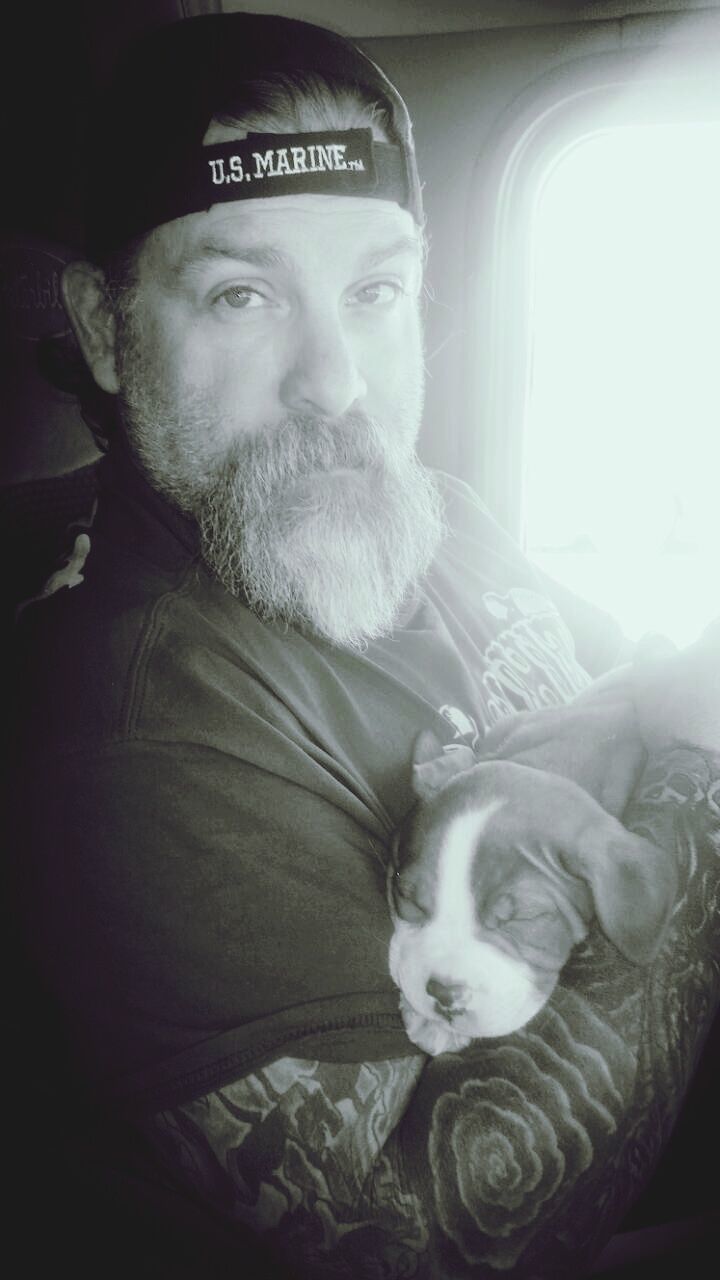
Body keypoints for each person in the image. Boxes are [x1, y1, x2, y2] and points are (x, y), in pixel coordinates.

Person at [8, 13, 719, 1279]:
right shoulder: (130, 722)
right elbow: (430, 1244)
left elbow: (656, 679)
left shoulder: (438, 516)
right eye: (242, 293)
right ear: (108, 330)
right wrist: (692, 788)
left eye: (377, 290)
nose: (334, 381)